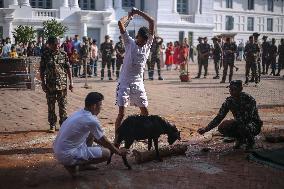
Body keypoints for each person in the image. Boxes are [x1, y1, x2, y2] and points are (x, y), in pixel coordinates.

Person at [53, 92, 128, 177]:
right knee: (106, 153)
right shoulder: (91, 120)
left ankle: (83, 163)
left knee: (92, 134)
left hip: (58, 150)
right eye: (100, 106)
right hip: (66, 155)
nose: (101, 108)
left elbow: (98, 138)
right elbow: (103, 140)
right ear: (94, 106)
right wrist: (118, 151)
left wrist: (110, 146)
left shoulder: (80, 112)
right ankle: (72, 165)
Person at [115, 7, 154, 143]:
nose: (142, 42)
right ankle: (117, 139)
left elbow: (152, 22)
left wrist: (139, 12)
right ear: (137, 36)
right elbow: (120, 23)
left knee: (145, 112)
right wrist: (130, 16)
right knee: (122, 113)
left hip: (138, 83)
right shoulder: (129, 42)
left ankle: (144, 134)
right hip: (124, 82)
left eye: (145, 40)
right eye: (141, 40)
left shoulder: (147, 46)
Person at [198, 80, 263, 150]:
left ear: (240, 89)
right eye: (230, 89)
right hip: (240, 123)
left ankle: (251, 142)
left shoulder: (249, 99)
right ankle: (240, 139)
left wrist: (233, 121)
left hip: (253, 125)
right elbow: (219, 117)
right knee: (222, 128)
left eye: (234, 89)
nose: (231, 91)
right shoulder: (229, 101)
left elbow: (247, 118)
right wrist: (206, 129)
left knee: (242, 126)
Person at [40, 36, 73, 132]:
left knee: (63, 105)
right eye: (55, 45)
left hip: (62, 84)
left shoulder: (63, 54)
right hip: (50, 85)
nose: (57, 46)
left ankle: (63, 124)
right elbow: (42, 70)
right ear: (49, 45)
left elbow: (68, 68)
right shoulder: (45, 55)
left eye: (58, 44)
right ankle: (52, 124)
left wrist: (71, 82)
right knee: (51, 105)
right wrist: (42, 82)